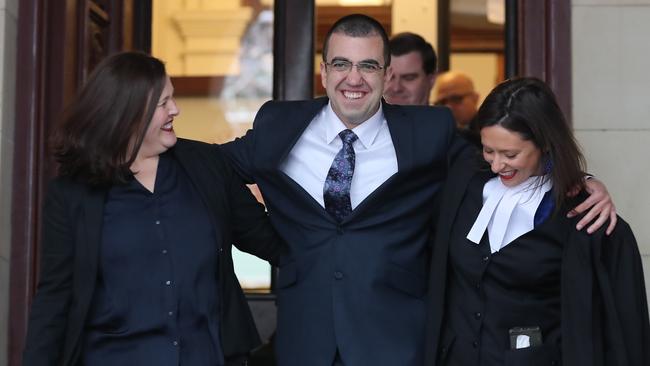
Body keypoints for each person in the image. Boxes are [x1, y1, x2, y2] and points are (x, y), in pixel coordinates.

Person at [222, 15, 616, 366]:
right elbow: (211, 169)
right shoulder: (278, 125)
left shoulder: (429, 132)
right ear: (324, 71)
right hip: (305, 339)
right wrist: (269, 241)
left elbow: (499, 163)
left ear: (386, 74)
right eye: (341, 64)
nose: (353, 78)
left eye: (368, 66)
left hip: (397, 342)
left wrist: (576, 180)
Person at [22, 52, 286, 366]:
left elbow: (272, 241)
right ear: (128, 113)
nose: (175, 109)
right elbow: (56, 297)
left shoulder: (208, 166)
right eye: (163, 103)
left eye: (171, 98)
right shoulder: (72, 195)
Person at [424, 77, 649, 365]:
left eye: (510, 154)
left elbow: (619, 334)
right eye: (488, 150)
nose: (496, 165)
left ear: (544, 143)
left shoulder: (583, 220)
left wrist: (584, 180)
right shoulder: (464, 184)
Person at [384, 32, 437, 106]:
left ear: (431, 80)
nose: (396, 88)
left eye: (408, 78)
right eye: (389, 77)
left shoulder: (446, 117)